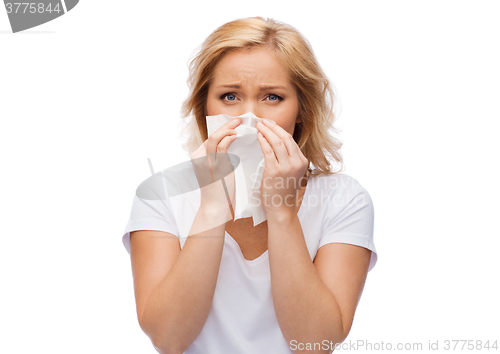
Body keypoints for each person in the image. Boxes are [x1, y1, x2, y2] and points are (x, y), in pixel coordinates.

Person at [121, 17, 378, 354]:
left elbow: (316, 343)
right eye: (229, 96)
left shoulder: (343, 199)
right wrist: (212, 206)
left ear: (301, 110)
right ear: (203, 107)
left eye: (272, 97)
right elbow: (169, 339)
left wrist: (282, 213)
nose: (248, 119)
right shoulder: (161, 194)